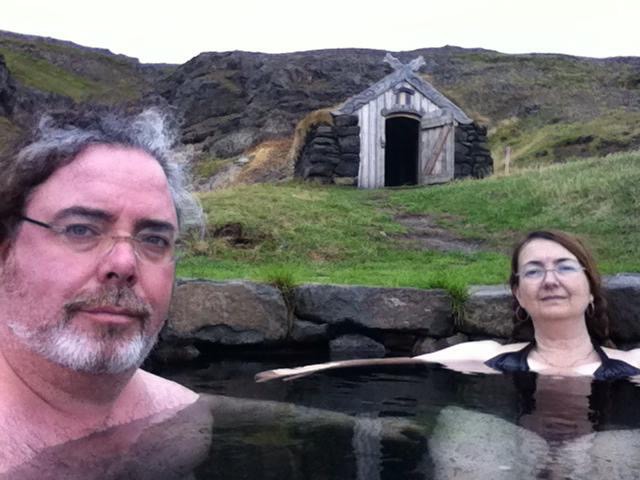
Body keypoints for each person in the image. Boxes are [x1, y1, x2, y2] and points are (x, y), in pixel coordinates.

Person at [0, 107, 209, 473]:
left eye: (154, 239)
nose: (125, 264)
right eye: (80, 229)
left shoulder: (184, 420)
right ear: (6, 253)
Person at [256, 230, 640, 382]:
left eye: (565, 267)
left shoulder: (634, 364)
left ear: (591, 289)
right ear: (519, 295)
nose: (550, 280)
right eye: (534, 271)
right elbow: (400, 363)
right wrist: (307, 368)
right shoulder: (486, 355)